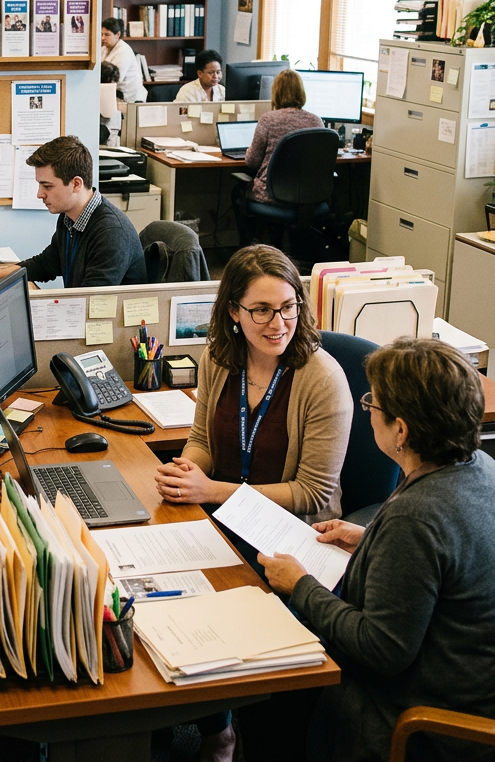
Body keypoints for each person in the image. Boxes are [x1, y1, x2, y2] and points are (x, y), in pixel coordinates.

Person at [251, 338, 495, 762]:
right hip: (472, 677)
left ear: (401, 430)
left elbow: (381, 649)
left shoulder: (417, 517)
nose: (368, 412)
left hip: (423, 716)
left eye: (373, 405)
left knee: (274, 697)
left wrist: (301, 585)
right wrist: (370, 539)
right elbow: (451, 559)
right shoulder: (479, 467)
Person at [154, 243, 352, 762]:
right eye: (261, 310)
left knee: (227, 617)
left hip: (293, 538)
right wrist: (187, 468)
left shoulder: (323, 379)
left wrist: (213, 491)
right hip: (225, 522)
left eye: (288, 307)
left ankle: (245, 734)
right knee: (163, 601)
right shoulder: (219, 359)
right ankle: (212, 726)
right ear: (233, 314)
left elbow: (315, 493)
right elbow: (201, 437)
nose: (277, 322)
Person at [0, 136, 146, 289]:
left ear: (76, 184)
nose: (40, 194)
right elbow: (47, 263)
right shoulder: (70, 218)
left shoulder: (111, 233)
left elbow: (90, 302)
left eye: (47, 186)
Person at [231, 69, 325, 245]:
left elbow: (251, 162)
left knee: (237, 191)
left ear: (276, 93)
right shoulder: (316, 121)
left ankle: (247, 248)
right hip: (308, 198)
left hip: (271, 196)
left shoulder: (268, 120)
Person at [100, 17, 145, 103]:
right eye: (102, 34)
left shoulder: (124, 51)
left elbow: (114, 80)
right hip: (112, 95)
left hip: (129, 99)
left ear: (117, 34)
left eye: (107, 35)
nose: (103, 38)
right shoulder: (103, 49)